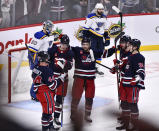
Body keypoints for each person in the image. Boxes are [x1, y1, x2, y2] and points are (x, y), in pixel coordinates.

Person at [111, 39, 145, 130]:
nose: (128, 47)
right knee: (124, 104)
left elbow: (141, 71)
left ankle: (135, 125)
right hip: (125, 83)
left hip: (132, 85)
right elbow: (124, 68)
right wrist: (116, 68)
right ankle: (126, 124)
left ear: (135, 47)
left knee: (133, 105)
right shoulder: (129, 57)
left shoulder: (139, 57)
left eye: (130, 45)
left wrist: (137, 79)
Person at [32, 51, 64, 131]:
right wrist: (60, 80)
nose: (48, 60)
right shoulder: (46, 70)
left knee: (48, 110)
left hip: (39, 92)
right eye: (47, 59)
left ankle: (50, 127)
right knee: (47, 112)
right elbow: (53, 86)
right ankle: (46, 128)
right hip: (45, 92)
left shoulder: (36, 67)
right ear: (43, 59)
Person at [48, 34, 73, 129]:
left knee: (59, 100)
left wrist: (65, 63)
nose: (64, 46)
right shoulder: (53, 49)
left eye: (66, 44)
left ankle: (56, 118)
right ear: (60, 43)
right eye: (62, 44)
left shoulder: (69, 53)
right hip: (52, 78)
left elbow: (70, 65)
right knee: (50, 99)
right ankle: (49, 118)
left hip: (62, 79)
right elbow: (47, 59)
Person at [28, 20, 58, 101]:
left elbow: (49, 46)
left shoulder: (50, 35)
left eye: (51, 27)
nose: (50, 29)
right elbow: (32, 50)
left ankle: (40, 94)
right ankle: (34, 95)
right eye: (49, 27)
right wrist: (33, 62)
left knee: (44, 77)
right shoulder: (39, 35)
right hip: (38, 59)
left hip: (45, 59)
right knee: (37, 76)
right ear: (44, 26)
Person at [70, 37, 96, 123]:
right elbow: (67, 48)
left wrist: (114, 49)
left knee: (89, 97)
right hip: (79, 78)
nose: (85, 46)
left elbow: (105, 53)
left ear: (89, 45)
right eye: (83, 44)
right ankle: (73, 113)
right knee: (76, 96)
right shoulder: (77, 50)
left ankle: (87, 115)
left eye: (86, 44)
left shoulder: (93, 52)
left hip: (90, 79)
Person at [82, 3, 111, 75]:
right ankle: (91, 67)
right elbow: (86, 28)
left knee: (100, 52)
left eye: (102, 9)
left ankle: (97, 67)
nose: (101, 11)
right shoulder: (90, 17)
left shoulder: (104, 17)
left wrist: (107, 38)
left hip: (100, 38)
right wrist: (85, 38)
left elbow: (106, 29)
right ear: (96, 9)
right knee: (92, 52)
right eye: (99, 9)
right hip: (92, 37)